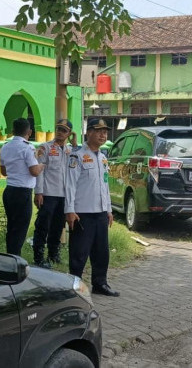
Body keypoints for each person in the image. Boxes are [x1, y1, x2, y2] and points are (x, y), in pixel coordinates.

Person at [65, 118, 119, 297]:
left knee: (101, 252)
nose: (103, 134)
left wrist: (109, 210)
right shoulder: (77, 156)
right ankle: (75, 286)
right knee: (79, 253)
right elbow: (70, 185)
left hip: (101, 213)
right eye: (98, 131)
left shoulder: (103, 158)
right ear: (88, 133)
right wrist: (69, 210)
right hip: (82, 214)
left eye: (105, 131)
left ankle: (100, 283)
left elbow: (105, 186)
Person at [33, 118, 77, 268]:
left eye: (64, 130)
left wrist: (75, 143)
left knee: (58, 226)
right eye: (58, 129)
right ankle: (38, 257)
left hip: (64, 195)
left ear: (69, 133)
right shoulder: (45, 148)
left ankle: (53, 254)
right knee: (43, 225)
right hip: (48, 193)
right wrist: (38, 192)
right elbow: (40, 171)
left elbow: (76, 168)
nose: (60, 132)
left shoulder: (71, 150)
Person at [0, 118, 44, 256]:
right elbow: (34, 171)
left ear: (13, 131)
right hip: (22, 192)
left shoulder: (5, 146)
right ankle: (15, 258)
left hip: (9, 191)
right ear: (29, 132)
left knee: (12, 227)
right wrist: (42, 165)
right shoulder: (27, 147)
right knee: (20, 228)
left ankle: (10, 255)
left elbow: (4, 171)